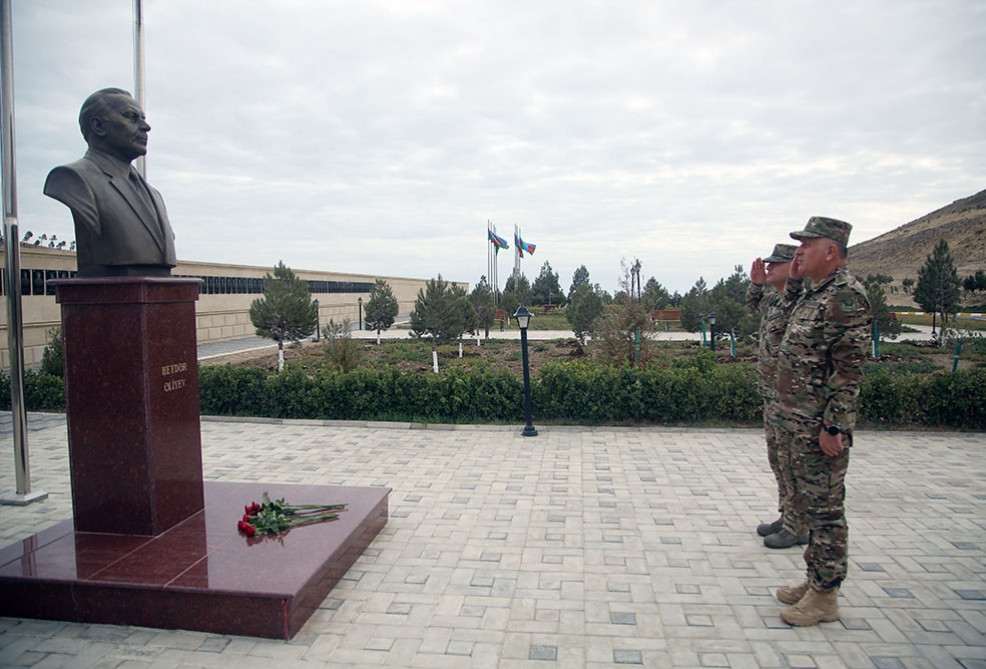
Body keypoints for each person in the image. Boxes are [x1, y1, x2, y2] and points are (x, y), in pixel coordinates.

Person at [773, 216, 871, 627]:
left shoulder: (845, 296)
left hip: (819, 427)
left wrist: (834, 426)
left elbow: (848, 369)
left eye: (807, 246)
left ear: (831, 250)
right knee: (811, 506)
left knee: (826, 509)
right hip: (799, 421)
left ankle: (826, 595)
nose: (800, 252)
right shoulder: (817, 293)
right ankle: (815, 580)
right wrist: (793, 280)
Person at [44, 88, 177, 277]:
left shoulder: (154, 195)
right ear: (98, 125)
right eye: (132, 117)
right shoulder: (72, 179)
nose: (146, 127)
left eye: (143, 118)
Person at [747, 243, 808, 549]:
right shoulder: (774, 299)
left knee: (792, 460)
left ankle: (799, 525)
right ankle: (787, 516)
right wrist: (756, 286)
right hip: (773, 392)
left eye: (775, 264)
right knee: (778, 459)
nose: (769, 268)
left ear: (793, 266)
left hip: (793, 397)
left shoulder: (802, 300)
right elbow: (752, 306)